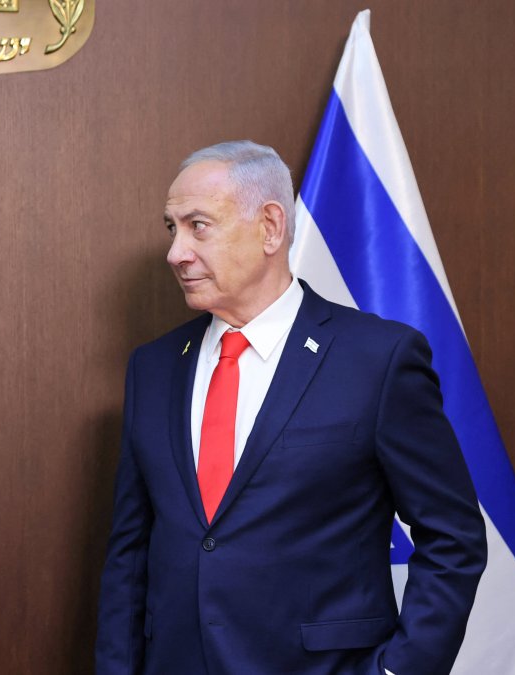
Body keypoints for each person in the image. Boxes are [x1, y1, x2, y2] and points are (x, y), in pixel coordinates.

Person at [95, 141, 486, 674]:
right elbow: (130, 555)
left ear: (271, 227)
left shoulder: (378, 359)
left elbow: (453, 537)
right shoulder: (154, 367)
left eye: (198, 226)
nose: (175, 252)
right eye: (172, 228)